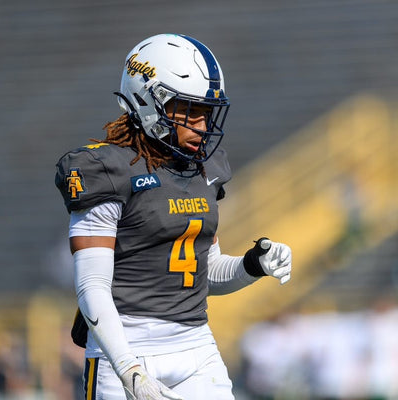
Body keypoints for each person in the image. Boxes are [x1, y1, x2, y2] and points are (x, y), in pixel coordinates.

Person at [55, 33, 292, 400]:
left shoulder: (202, 170)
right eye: (190, 110)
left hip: (196, 346)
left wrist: (252, 265)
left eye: (206, 112)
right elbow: (92, 287)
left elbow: (205, 273)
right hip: (125, 348)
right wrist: (130, 372)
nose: (202, 125)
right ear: (149, 100)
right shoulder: (106, 169)